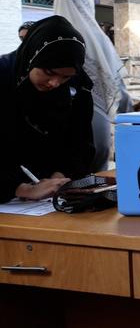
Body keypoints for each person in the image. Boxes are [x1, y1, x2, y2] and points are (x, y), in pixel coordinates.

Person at [0, 15, 95, 203]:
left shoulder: (78, 88)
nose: (55, 83)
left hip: (49, 200)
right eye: (49, 73)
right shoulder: (3, 78)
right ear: (32, 58)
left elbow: (80, 142)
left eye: (65, 77)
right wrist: (23, 189)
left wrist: (59, 177)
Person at [54, 0, 132, 172]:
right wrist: (128, 116)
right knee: (96, 181)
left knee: (63, 182)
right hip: (96, 119)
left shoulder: (51, 39)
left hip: (58, 124)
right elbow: (118, 89)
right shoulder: (97, 38)